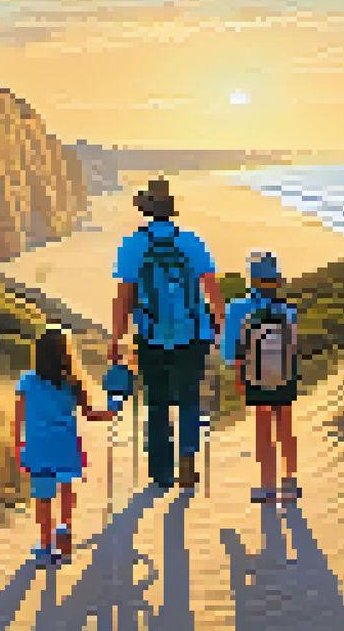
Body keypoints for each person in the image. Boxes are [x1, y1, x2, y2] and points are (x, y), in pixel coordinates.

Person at [109, 176, 227, 490]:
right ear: (171, 210)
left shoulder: (133, 244)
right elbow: (212, 290)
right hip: (193, 335)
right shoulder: (192, 241)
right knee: (189, 400)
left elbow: (124, 297)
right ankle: (187, 462)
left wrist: (117, 337)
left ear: (146, 211)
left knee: (157, 402)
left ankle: (161, 472)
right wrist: (222, 328)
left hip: (150, 336)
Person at [14, 324, 119, 567]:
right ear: (66, 353)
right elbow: (91, 415)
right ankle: (65, 531)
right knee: (66, 488)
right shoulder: (72, 383)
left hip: (38, 447)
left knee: (43, 498)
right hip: (66, 446)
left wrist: (18, 446)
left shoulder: (27, 381)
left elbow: (18, 418)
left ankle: (45, 547)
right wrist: (113, 408)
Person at [223, 250, 302, 504]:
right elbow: (294, 347)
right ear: (277, 280)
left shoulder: (238, 309)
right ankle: (290, 484)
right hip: (284, 373)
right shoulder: (289, 310)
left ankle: (267, 487)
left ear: (252, 280)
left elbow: (230, 351)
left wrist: (239, 375)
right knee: (286, 426)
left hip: (254, 375)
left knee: (263, 428)